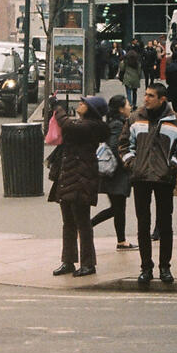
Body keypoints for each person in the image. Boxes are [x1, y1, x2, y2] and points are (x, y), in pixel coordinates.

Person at [118, 81, 177, 285]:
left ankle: (164, 267)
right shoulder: (135, 118)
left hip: (164, 178)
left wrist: (172, 166)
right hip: (141, 177)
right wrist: (132, 164)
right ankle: (146, 267)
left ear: (162, 99)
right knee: (143, 225)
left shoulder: (175, 121)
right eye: (145, 95)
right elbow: (123, 144)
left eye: (150, 96)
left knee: (165, 225)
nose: (145, 99)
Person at [47, 95, 110, 278]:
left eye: (83, 104)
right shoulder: (82, 124)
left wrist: (58, 108)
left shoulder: (90, 126)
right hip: (69, 177)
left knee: (83, 223)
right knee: (68, 222)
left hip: (82, 179)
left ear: (91, 109)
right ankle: (68, 261)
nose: (80, 105)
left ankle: (88, 263)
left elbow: (67, 125)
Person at [90, 94, 135, 250]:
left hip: (116, 173)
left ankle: (121, 240)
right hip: (117, 173)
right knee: (117, 208)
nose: (130, 107)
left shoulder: (117, 122)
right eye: (128, 104)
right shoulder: (117, 124)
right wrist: (127, 162)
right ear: (121, 109)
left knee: (118, 208)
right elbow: (115, 147)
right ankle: (88, 225)